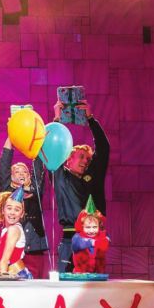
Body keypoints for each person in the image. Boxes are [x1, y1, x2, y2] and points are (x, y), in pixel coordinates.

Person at [38, 100, 109, 273]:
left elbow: (104, 148)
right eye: (81, 156)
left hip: (94, 239)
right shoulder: (59, 175)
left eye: (88, 158)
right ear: (68, 159)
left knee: (92, 284)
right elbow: (49, 147)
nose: (85, 161)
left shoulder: (93, 178)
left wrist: (90, 119)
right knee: (65, 283)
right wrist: (56, 120)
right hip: (69, 241)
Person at [0, 137, 48, 278]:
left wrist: (36, 139)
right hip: (12, 253)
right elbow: (4, 164)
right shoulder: (7, 191)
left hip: (34, 250)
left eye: (24, 172)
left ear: (29, 176)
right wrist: (12, 136)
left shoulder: (36, 190)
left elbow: (38, 167)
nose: (21, 174)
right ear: (11, 176)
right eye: (17, 171)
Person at [0, 188, 32, 279]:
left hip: (17, 275)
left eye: (17, 210)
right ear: (3, 210)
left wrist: (1, 278)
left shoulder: (14, 229)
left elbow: (5, 261)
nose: (12, 212)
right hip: (11, 273)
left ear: (22, 214)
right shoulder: (7, 230)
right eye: (9, 208)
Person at [71, 196, 110, 274]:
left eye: (94, 227)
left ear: (99, 226)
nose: (91, 230)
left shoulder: (102, 236)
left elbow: (106, 243)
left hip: (98, 275)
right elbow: (79, 244)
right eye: (88, 227)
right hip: (81, 275)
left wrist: (106, 240)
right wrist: (94, 242)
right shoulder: (77, 237)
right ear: (82, 227)